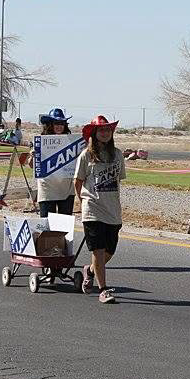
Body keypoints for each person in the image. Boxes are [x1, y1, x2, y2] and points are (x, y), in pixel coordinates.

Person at [74, 115, 125, 304]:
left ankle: (90, 270)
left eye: (107, 130)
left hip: (112, 210)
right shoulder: (86, 155)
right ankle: (103, 290)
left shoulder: (117, 154)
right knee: (98, 250)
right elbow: (77, 182)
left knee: (109, 251)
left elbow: (118, 180)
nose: (104, 133)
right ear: (94, 134)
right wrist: (83, 202)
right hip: (92, 209)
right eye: (101, 130)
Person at [32, 109, 76, 218]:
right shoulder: (41, 141)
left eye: (62, 123)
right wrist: (33, 157)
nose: (59, 126)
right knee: (47, 228)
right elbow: (32, 165)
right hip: (47, 190)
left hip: (67, 190)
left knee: (64, 228)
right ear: (50, 125)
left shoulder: (72, 141)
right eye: (56, 123)